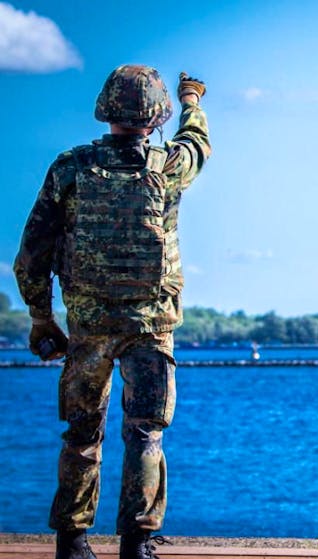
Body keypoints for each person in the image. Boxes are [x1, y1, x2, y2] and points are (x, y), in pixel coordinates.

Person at [14, 64, 210, 559]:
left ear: (106, 110)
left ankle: (73, 540)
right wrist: (192, 101)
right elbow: (198, 144)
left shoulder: (70, 168)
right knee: (145, 433)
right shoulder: (169, 166)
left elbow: (32, 253)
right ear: (155, 116)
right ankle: (138, 544)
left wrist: (42, 317)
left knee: (82, 432)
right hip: (151, 322)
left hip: (89, 324)